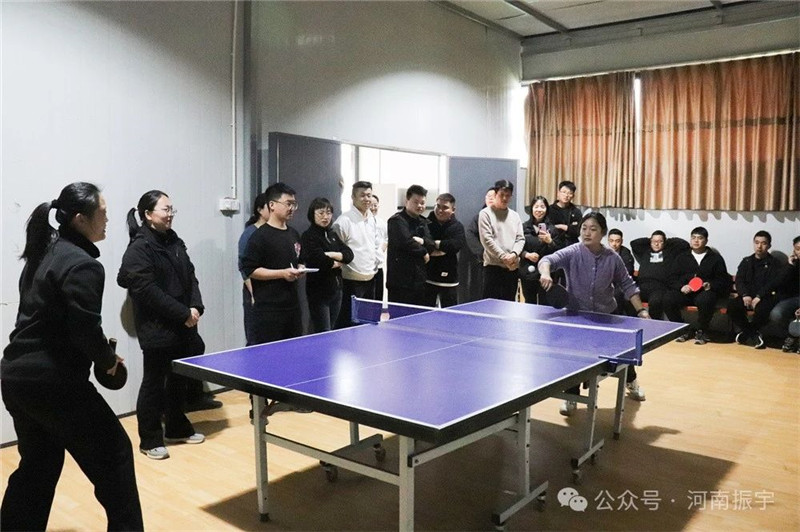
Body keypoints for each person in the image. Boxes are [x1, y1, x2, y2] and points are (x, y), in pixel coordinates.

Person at [1, 182, 144, 530]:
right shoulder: (83, 265)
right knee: (116, 456)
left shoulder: (44, 252)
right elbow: (84, 329)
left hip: (17, 379)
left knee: (39, 466)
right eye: (102, 214)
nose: (107, 219)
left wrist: (101, 355)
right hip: (54, 385)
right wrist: (107, 361)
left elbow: (57, 322)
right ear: (80, 219)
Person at [117, 190, 207, 460]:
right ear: (147, 214)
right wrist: (182, 313)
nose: (170, 215)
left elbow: (191, 276)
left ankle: (177, 427)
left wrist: (196, 306)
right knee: (154, 383)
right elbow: (147, 291)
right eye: (165, 210)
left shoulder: (174, 241)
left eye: (171, 210)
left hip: (183, 324)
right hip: (157, 327)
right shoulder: (139, 247)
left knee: (178, 379)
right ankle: (150, 439)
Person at [538, 212, 649, 415]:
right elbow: (548, 259)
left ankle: (631, 381)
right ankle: (571, 396)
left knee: (621, 354)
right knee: (575, 358)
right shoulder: (573, 252)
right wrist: (545, 272)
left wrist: (641, 310)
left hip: (607, 315)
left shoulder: (613, 258)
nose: (587, 233)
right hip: (577, 315)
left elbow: (628, 285)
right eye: (584, 228)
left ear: (603, 233)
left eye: (593, 229)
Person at [240, 182, 307, 345]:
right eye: (288, 204)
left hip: (292, 307)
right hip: (268, 311)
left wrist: (301, 268)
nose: (291, 208)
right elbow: (250, 270)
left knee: (293, 351)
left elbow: (300, 259)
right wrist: (282, 273)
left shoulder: (293, 234)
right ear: (272, 205)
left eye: (294, 204)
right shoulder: (259, 237)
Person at [663, 227, 731, 345]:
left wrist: (710, 285)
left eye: (700, 238)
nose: (696, 241)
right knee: (668, 298)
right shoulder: (681, 257)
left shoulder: (715, 258)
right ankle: (683, 329)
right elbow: (672, 278)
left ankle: (702, 331)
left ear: (706, 241)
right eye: (693, 238)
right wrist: (681, 287)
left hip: (705, 292)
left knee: (705, 299)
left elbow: (723, 280)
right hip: (686, 292)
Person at [300, 198, 354, 332]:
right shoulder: (308, 236)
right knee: (323, 330)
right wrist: (338, 260)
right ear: (312, 214)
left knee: (332, 329)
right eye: (321, 213)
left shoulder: (332, 234)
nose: (325, 217)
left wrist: (332, 254)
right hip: (319, 292)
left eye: (328, 213)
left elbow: (349, 255)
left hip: (337, 290)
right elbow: (319, 260)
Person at [332, 181, 381, 328]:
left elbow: (374, 245)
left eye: (369, 195)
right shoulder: (343, 221)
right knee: (349, 325)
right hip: (351, 282)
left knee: (367, 324)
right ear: (353, 197)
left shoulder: (372, 219)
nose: (367, 199)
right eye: (362, 195)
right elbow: (337, 250)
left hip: (370, 278)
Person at [727, 231, 785, 349]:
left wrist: (759, 296)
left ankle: (747, 333)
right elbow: (739, 280)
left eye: (763, 243)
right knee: (732, 306)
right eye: (757, 242)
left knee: (763, 309)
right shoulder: (746, 261)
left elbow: (773, 283)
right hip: (747, 296)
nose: (759, 246)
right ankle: (751, 332)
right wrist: (745, 294)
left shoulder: (775, 263)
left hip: (765, 297)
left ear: (769, 246)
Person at [387, 184, 435, 305]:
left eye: (422, 203)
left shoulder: (423, 222)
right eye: (416, 202)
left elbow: (431, 244)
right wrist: (423, 252)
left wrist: (422, 241)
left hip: (419, 281)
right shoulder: (396, 221)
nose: (420, 206)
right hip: (400, 283)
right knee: (399, 316)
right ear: (406, 201)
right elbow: (406, 242)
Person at [478, 180, 525, 301]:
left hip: (512, 267)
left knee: (508, 303)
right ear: (495, 194)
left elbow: (520, 239)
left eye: (508, 195)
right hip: (493, 267)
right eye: (501, 195)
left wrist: (513, 255)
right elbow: (486, 239)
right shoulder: (485, 213)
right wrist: (503, 257)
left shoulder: (515, 216)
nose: (504, 198)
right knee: (490, 304)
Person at [630, 231, 689, 320]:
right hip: (642, 286)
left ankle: (653, 324)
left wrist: (667, 241)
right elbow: (634, 243)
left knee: (656, 301)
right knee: (629, 297)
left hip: (659, 288)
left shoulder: (670, 253)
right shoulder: (645, 252)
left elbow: (684, 245)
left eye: (660, 241)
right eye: (654, 241)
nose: (656, 244)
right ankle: (633, 323)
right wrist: (650, 240)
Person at [237, 192, 269, 345]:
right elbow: (244, 268)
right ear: (260, 210)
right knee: (254, 336)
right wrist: (253, 293)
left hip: (270, 291)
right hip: (253, 289)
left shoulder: (273, 232)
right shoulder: (249, 233)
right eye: (269, 206)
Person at [424, 193, 466, 308]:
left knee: (450, 315)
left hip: (449, 279)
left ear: (453, 210)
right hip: (427, 278)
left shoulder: (458, 227)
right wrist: (442, 249)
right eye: (438, 206)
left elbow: (455, 245)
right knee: (425, 314)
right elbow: (424, 245)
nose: (440, 210)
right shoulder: (425, 224)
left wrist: (435, 244)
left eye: (445, 207)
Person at [519, 195, 561, 305]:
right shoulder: (523, 227)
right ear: (531, 209)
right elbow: (517, 247)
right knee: (529, 302)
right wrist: (526, 255)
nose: (539, 210)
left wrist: (550, 241)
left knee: (545, 303)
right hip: (528, 272)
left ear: (546, 209)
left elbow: (558, 253)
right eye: (536, 206)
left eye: (542, 207)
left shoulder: (553, 229)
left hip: (547, 273)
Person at [464, 187, 496, 301]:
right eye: (488, 197)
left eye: (493, 197)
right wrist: (482, 253)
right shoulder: (478, 217)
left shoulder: (506, 216)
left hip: (499, 262)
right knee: (479, 291)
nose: (490, 199)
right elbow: (470, 235)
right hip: (481, 261)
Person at [770, 235, 800, 353]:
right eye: (798, 249)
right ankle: (792, 336)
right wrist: (789, 266)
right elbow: (778, 283)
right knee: (776, 314)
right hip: (792, 299)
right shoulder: (790, 265)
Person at [607, 228, 636, 315]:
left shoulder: (626, 254)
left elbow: (627, 274)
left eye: (617, 241)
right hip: (607, 284)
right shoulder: (603, 252)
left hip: (621, 285)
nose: (614, 244)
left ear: (622, 241)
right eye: (611, 241)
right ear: (608, 241)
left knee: (617, 294)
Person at [548, 180, 582, 246]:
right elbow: (548, 228)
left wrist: (563, 227)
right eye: (564, 192)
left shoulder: (576, 211)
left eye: (570, 193)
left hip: (572, 244)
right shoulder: (549, 210)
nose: (566, 195)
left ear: (573, 196)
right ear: (558, 193)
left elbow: (579, 231)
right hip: (553, 244)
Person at [370, 194, 388, 303]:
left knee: (378, 297)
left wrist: (381, 251)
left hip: (379, 266)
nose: (373, 208)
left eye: (375, 205)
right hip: (366, 267)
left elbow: (386, 239)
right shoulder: (360, 222)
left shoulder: (382, 223)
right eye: (370, 205)